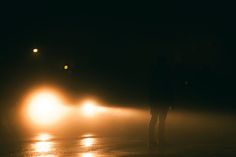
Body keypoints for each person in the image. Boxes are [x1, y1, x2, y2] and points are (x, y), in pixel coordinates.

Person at [148, 55, 175, 148]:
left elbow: (152, 88)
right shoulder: (166, 73)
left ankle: (153, 140)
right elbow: (169, 88)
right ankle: (160, 140)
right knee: (161, 121)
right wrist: (171, 102)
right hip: (163, 101)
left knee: (155, 120)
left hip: (157, 100)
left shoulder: (155, 72)